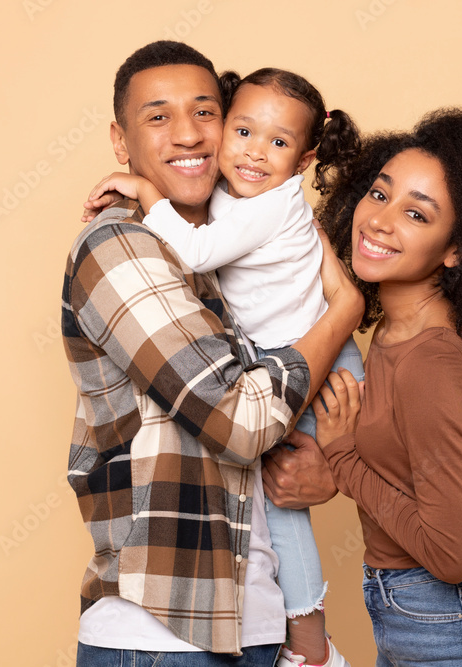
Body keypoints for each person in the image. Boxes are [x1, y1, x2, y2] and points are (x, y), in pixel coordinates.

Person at [62, 41, 363, 666]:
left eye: (205, 112)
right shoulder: (122, 243)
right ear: (121, 143)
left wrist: (329, 467)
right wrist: (345, 314)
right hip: (161, 637)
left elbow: (281, 454)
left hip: (254, 626)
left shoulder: (231, 235)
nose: (189, 134)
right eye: (158, 117)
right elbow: (242, 422)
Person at [265, 108, 462, 666]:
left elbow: (451, 555)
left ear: (456, 249)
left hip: (459, 628)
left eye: (416, 213)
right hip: (423, 621)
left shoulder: (431, 363)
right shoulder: (393, 332)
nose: (380, 221)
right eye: (379, 195)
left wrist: (341, 462)